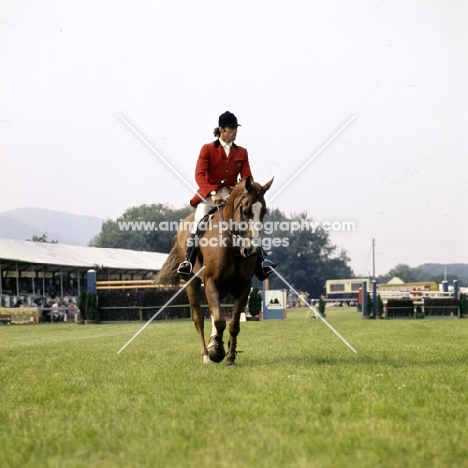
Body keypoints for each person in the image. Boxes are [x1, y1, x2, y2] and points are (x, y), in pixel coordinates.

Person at [177, 111, 276, 280]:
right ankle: (187, 262)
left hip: (233, 194)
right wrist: (213, 193)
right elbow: (199, 175)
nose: (235, 131)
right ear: (221, 129)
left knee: (250, 222)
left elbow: (246, 178)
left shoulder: (242, 152)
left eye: (236, 128)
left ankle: (261, 262)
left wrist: (250, 190)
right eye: (231, 128)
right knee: (199, 220)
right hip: (209, 194)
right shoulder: (207, 149)